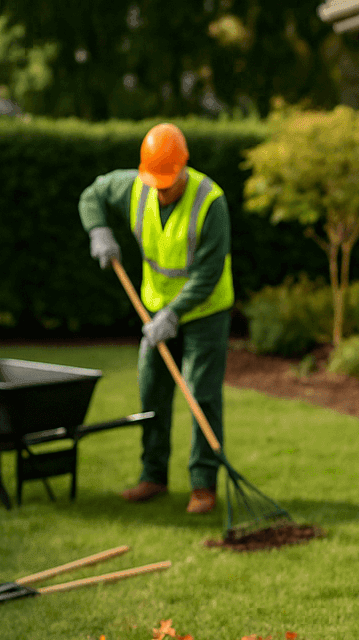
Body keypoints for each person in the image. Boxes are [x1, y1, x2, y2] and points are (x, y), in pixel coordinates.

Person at [78, 123, 233, 514]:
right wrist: (98, 231)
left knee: (202, 395)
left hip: (204, 312)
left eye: (168, 182)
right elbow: (92, 194)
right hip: (153, 312)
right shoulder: (136, 187)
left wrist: (174, 313)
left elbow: (208, 272)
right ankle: (153, 476)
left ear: (184, 168)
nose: (161, 191)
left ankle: (203, 484)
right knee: (151, 391)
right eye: (156, 182)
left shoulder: (210, 202)